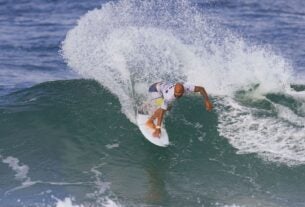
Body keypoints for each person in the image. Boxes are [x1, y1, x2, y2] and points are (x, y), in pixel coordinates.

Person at [146, 81, 213, 138]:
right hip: (154, 90)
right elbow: (162, 111)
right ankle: (150, 121)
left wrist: (207, 101)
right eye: (176, 95)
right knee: (165, 107)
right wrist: (158, 128)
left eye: (179, 95)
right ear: (174, 92)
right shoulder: (169, 97)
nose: (177, 97)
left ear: (183, 91)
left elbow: (201, 89)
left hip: (162, 86)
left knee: (168, 106)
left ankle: (148, 104)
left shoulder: (186, 87)